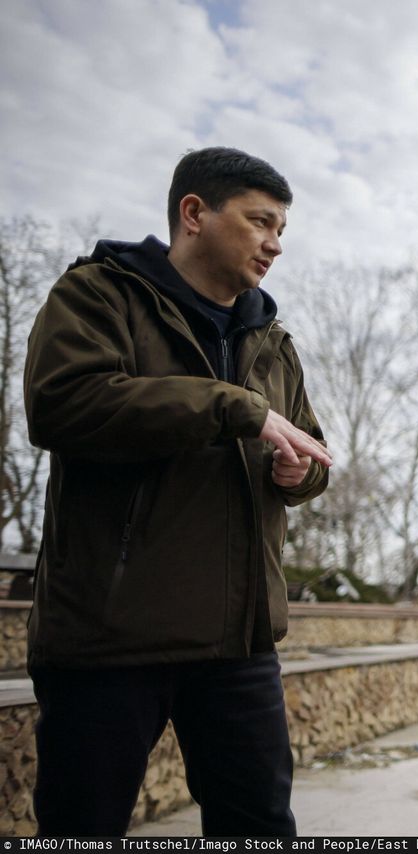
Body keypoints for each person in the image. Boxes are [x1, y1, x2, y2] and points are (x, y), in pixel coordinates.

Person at [24, 146, 333, 836]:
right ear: (194, 213)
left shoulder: (271, 341)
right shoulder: (98, 294)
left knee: (259, 828)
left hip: (240, 645)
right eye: (260, 223)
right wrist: (235, 409)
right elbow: (63, 406)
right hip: (110, 639)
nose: (275, 245)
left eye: (282, 230)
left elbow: (310, 447)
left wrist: (301, 474)